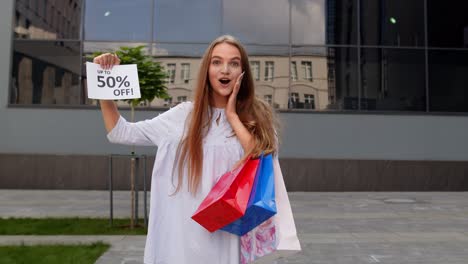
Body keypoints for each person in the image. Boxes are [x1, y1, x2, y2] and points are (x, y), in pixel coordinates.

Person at [94, 35, 282, 264]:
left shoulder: (256, 118)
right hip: (180, 241)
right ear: (206, 69)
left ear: (243, 71)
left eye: (234, 63)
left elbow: (260, 159)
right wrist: (103, 78)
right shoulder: (183, 116)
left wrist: (232, 116)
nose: (225, 70)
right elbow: (120, 132)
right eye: (217, 62)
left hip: (225, 237)